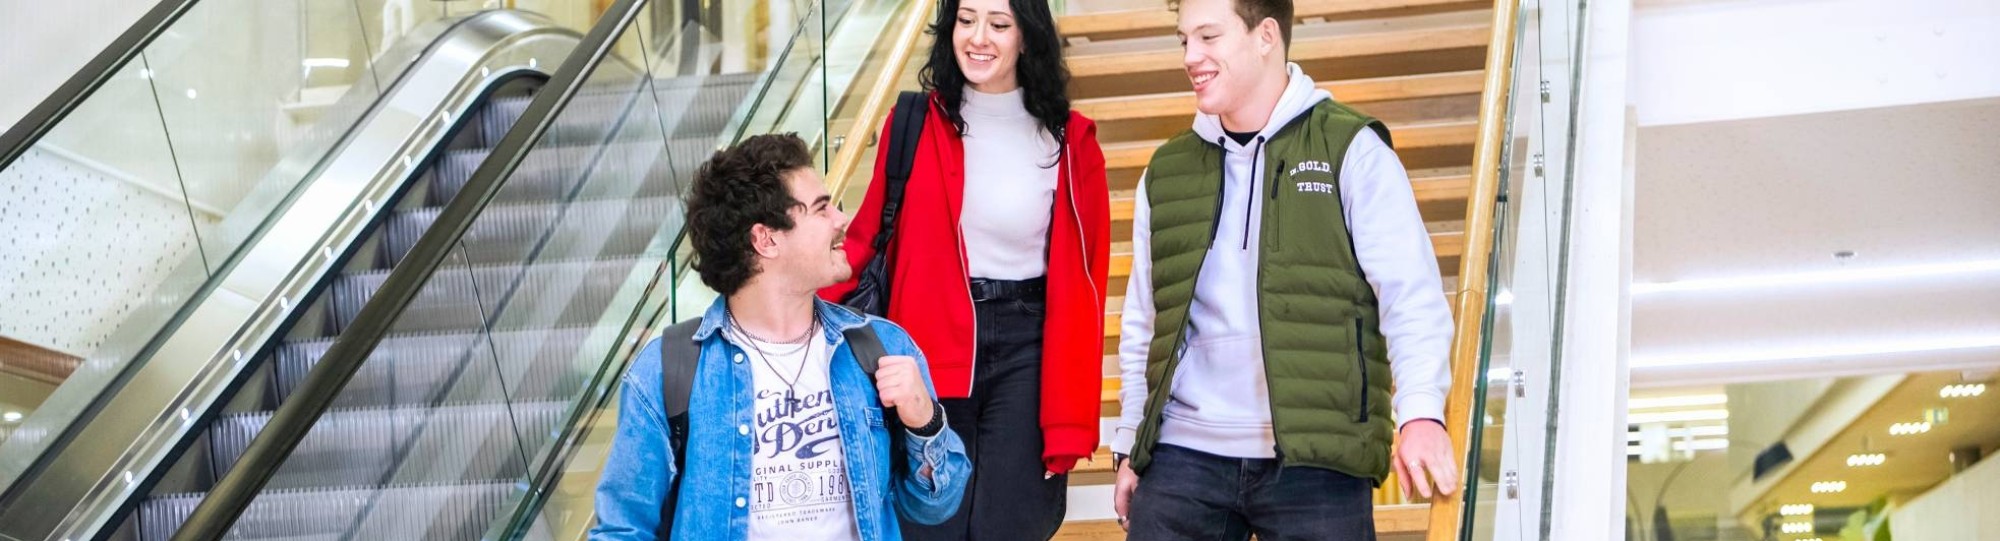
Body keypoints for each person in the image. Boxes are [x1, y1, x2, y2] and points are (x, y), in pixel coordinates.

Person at [1107, 0, 1461, 538]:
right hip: (1183, 455)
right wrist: (1133, 440)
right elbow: (1144, 321)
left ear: (1266, 35)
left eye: (1208, 37)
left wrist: (1421, 412)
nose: (1190, 56)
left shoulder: (1352, 149)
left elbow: (1410, 296)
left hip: (1317, 458)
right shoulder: (1167, 169)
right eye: (1184, 40)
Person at [821, 0, 1110, 538]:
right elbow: (863, 241)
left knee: (1013, 521)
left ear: (1027, 36)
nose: (979, 37)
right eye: (966, 19)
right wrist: (788, 308)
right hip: (927, 341)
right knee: (929, 518)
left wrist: (1070, 417)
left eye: (999, 24)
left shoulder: (1070, 139)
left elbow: (1087, 285)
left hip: (1029, 348)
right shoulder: (912, 123)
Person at [590, 134, 970, 541]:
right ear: (766, 239)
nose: (841, 220)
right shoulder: (669, 370)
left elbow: (934, 507)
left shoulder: (882, 347)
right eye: (821, 209)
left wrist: (925, 422)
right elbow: (623, 528)